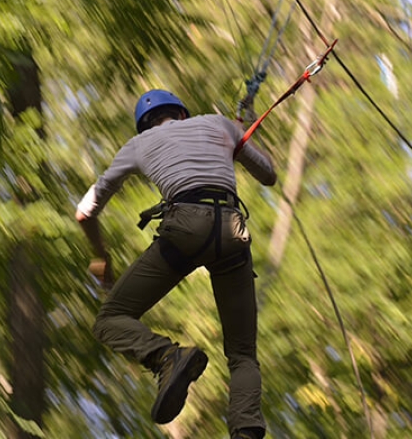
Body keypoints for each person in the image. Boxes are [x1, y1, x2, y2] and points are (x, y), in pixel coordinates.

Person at [76, 89, 276, 439]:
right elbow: (269, 174)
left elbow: (84, 212)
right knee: (243, 354)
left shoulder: (139, 145)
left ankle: (166, 356)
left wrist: (101, 256)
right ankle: (246, 431)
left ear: (144, 126)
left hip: (184, 229)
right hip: (232, 233)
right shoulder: (219, 125)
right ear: (182, 114)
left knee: (109, 320)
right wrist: (235, 138)